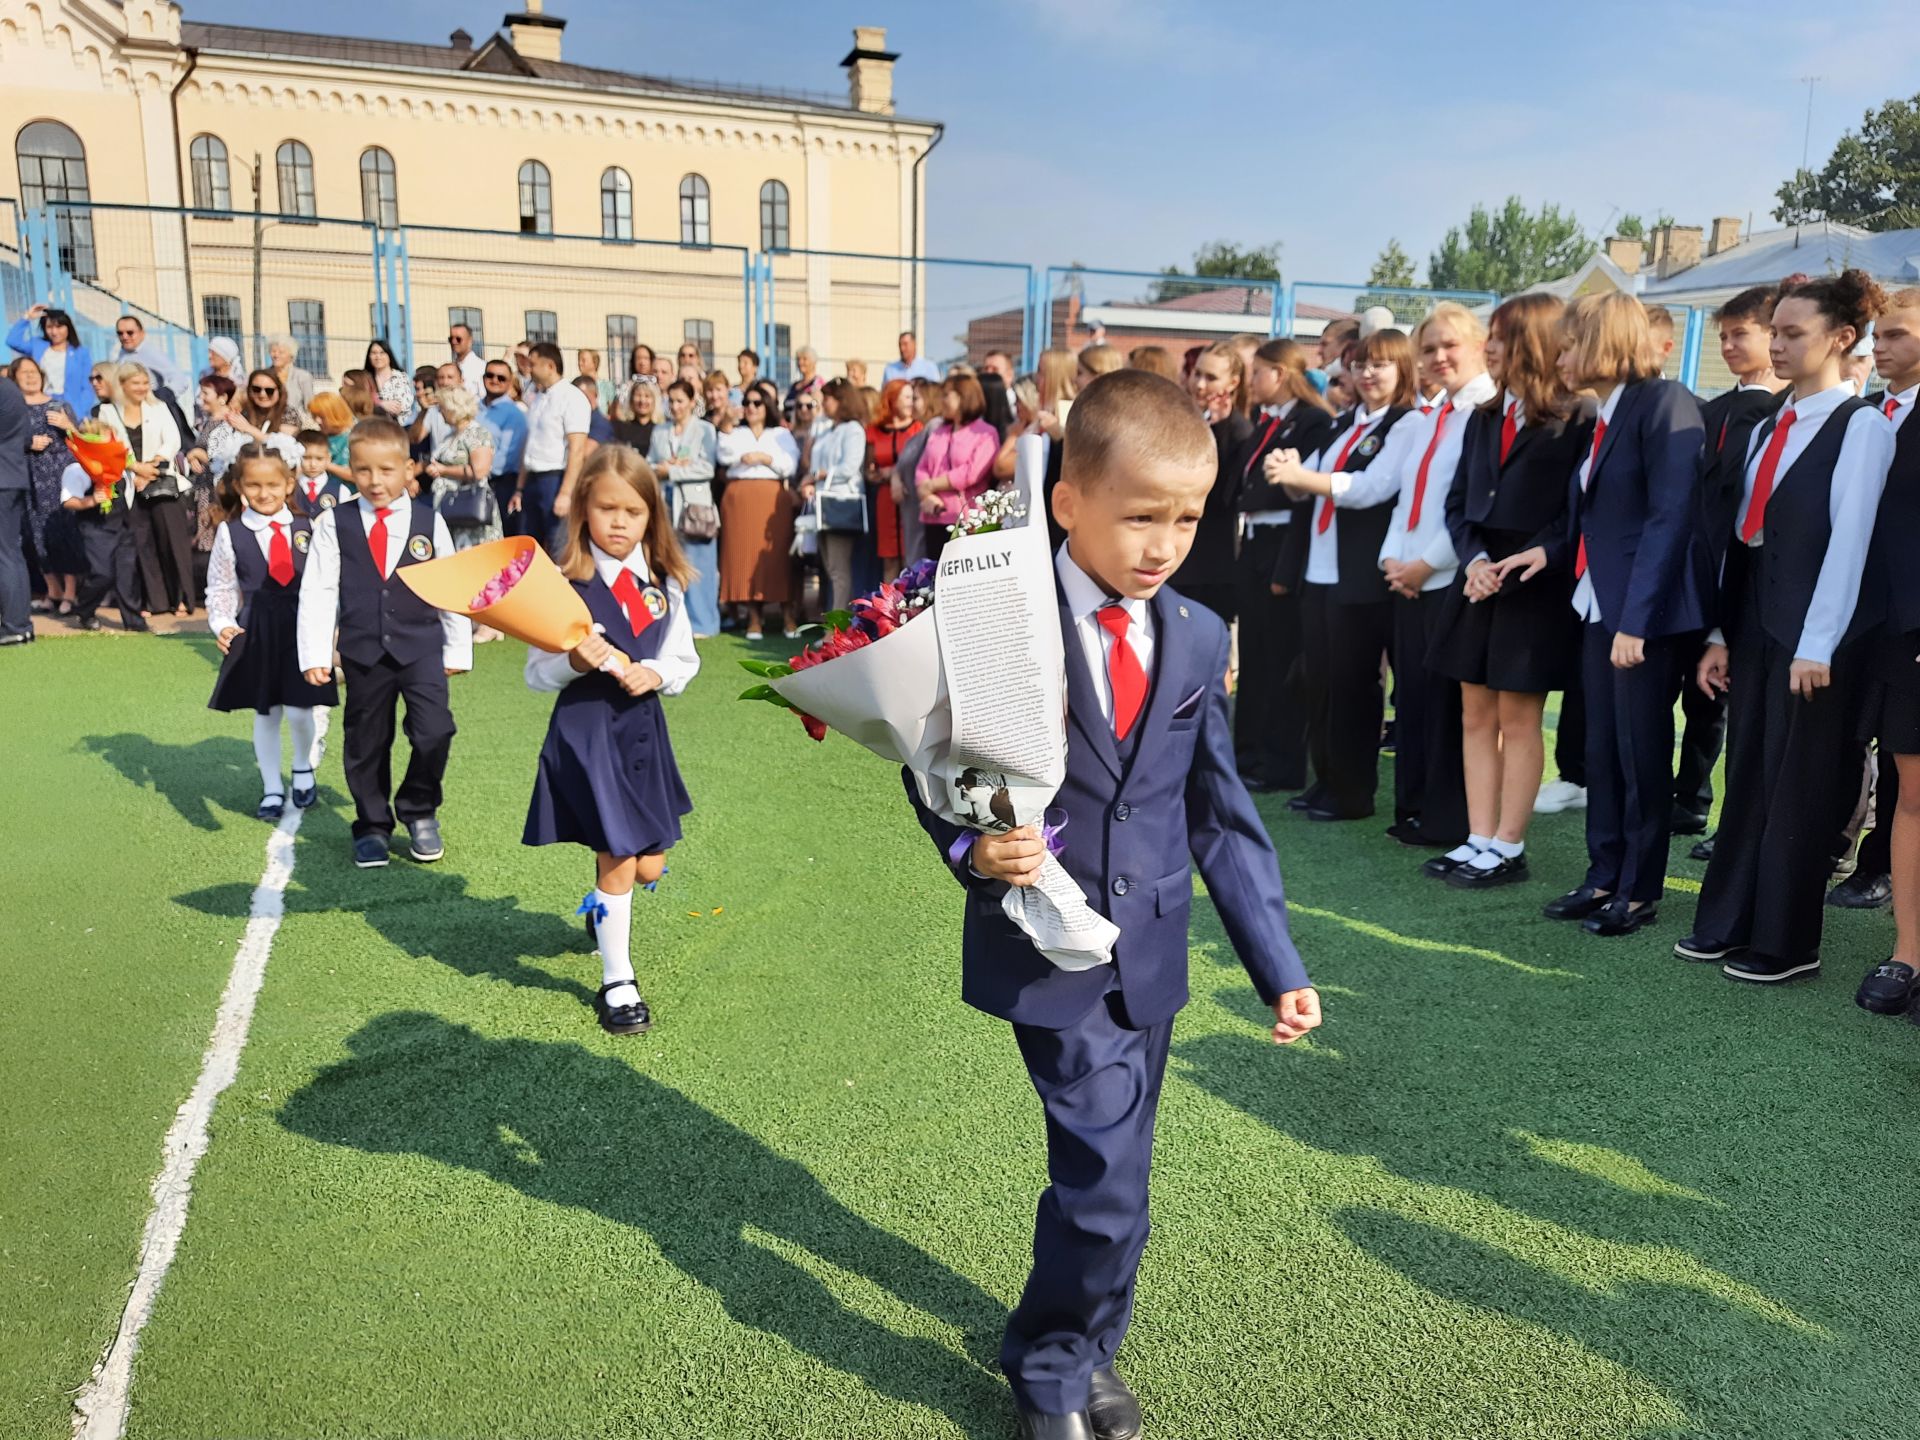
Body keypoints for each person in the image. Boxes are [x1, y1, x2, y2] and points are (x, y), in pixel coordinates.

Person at [905, 369, 1320, 1440]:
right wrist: (969, 844)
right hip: (1050, 953)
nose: (1164, 543)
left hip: (1155, 956)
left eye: (1187, 518)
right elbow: (930, 761)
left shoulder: (1195, 633)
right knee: (1104, 1185)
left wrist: (1279, 962)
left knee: (1120, 1175)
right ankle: (1047, 1373)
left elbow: (1219, 813)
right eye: (1141, 515)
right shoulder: (1000, 616)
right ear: (1067, 501)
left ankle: (1088, 1350)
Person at [1679, 271, 1896, 983]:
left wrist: (1817, 643)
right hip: (1754, 625)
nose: (1777, 345)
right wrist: (1718, 636)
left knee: (1800, 786)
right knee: (1748, 775)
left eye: (1792, 333)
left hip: (1816, 639)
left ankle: (1786, 943)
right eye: (1775, 332)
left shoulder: (1860, 426)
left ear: (1841, 339)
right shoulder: (1772, 421)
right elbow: (1746, 537)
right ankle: (1726, 922)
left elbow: (1851, 543)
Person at [1503, 294, 1711, 934]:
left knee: (1640, 751)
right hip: (1600, 606)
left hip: (1638, 617)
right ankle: (1602, 876)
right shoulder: (1607, 412)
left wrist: (1636, 622)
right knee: (1603, 749)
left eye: (1569, 344)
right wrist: (1548, 551)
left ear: (1601, 342)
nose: (1560, 356)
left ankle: (1640, 889)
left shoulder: (1664, 403)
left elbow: (1669, 520)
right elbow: (1599, 515)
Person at [1277, 302, 1492, 854]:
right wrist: (1394, 560)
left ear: (1478, 346)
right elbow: (1408, 504)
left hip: (1448, 575)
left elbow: (1460, 505)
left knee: (1443, 708)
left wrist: (1425, 564)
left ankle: (1452, 821)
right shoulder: (1435, 417)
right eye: (1430, 348)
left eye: (1449, 346)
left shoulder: (1475, 414)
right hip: (1407, 577)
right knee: (1415, 703)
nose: (1439, 358)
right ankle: (1417, 809)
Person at [524, 446, 699, 1036]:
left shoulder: (665, 582)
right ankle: (617, 980)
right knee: (618, 857)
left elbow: (684, 659)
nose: (619, 522)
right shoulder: (561, 582)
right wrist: (573, 659)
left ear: (653, 516)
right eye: (606, 509)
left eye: (633, 511)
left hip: (642, 734)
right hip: (587, 733)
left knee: (648, 866)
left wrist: (660, 673)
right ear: (583, 511)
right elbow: (535, 673)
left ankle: (604, 913)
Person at [1425, 294, 1586, 891]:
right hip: (1480, 582)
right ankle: (1478, 837)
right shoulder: (1483, 417)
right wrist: (1474, 560)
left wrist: (1537, 555)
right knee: (1474, 714)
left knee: (1519, 719)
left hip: (1533, 589)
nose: (1488, 348)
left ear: (1533, 343)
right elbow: (1458, 504)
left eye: (1499, 337)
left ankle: (1508, 845)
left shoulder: (1576, 418)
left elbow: (1578, 512)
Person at [297, 416, 472, 870]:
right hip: (363, 652)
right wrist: (316, 654)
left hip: (421, 649)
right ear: (350, 468)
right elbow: (318, 589)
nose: (375, 481)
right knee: (366, 741)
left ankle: (419, 809)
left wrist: (457, 649)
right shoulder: (336, 522)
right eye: (363, 470)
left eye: (386, 470)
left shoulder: (429, 521)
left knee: (435, 731)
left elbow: (449, 588)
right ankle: (372, 824)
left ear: (408, 469)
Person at [1264, 328, 1418, 821]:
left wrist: (1297, 475)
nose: (1367, 373)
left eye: (1381, 364)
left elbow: (1370, 488)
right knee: (1323, 681)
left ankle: (1353, 792)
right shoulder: (1343, 423)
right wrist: (1287, 470)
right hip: (1320, 572)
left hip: (1360, 577)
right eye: (1360, 364)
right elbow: (1303, 487)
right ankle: (1325, 780)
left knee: (1354, 687)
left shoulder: (1405, 423)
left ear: (1402, 371)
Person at [206, 442, 338, 817]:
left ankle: (301, 766)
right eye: (254, 486)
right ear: (239, 486)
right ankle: (271, 789)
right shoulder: (231, 532)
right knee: (267, 714)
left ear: (289, 484)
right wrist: (224, 624)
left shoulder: (308, 526)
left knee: (301, 712)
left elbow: (329, 580)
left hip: (302, 627)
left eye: (273, 485)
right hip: (258, 631)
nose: (264, 494)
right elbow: (220, 587)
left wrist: (331, 630)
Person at [1229, 339, 1336, 793]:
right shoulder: (1267, 420)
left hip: (1283, 544)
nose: (1252, 383)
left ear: (1281, 373)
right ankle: (1247, 754)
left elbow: (1304, 498)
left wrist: (1284, 567)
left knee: (1279, 658)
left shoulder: (1313, 420)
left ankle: (1280, 763)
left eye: (1258, 373)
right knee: (1254, 656)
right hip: (1255, 541)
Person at [1853, 287, 1920, 1015]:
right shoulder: (1868, 416)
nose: (1882, 345)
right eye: (1877, 333)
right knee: (1909, 797)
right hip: (1880, 635)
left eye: (1897, 333)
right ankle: (1907, 954)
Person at [1168, 342, 1255, 631]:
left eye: (1211, 378)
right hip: (1176, 558)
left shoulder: (1239, 431)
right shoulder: (1182, 416)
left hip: (1210, 567)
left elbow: (1221, 497)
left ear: (1233, 383)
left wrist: (1214, 432)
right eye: (1197, 374)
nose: (1200, 384)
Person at [100, 361, 194, 617]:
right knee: (142, 544)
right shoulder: (107, 412)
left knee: (172, 542)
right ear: (123, 384)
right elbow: (110, 448)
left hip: (162, 482)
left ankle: (181, 598)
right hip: (131, 484)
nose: (142, 388)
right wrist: (135, 469)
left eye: (145, 383)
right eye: (136, 383)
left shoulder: (160, 407)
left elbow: (172, 441)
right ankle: (154, 601)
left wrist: (151, 467)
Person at [717, 384, 800, 638]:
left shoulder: (780, 434)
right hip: (740, 500)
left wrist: (765, 458)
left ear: (767, 406)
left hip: (772, 498)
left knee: (777, 557)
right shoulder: (735, 432)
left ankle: (788, 616)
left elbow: (789, 464)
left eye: (757, 403)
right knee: (746, 557)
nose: (751, 407)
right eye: (747, 403)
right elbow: (725, 454)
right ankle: (754, 617)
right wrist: (730, 429)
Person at [10, 356, 84, 617]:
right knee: (34, 533)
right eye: (24, 373)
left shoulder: (59, 404)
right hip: (27, 475)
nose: (30, 377)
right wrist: (26, 444)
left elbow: (81, 439)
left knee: (63, 530)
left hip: (59, 475)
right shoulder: (12, 407)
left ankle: (71, 593)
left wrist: (68, 426)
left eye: (34, 372)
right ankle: (52, 590)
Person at [648, 379, 722, 638]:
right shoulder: (660, 431)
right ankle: (678, 622)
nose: (675, 406)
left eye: (680, 401)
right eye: (672, 401)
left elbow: (707, 467)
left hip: (695, 505)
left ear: (692, 402)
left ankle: (705, 623)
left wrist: (674, 471)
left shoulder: (705, 430)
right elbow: (649, 463)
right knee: (672, 562)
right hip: (666, 503)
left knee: (699, 563)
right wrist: (660, 468)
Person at [516, 342, 592, 556]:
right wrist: (520, 488)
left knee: (559, 548)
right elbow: (529, 445)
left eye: (533, 364)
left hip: (555, 480)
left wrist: (566, 493)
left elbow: (577, 449)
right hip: (533, 480)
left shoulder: (572, 397)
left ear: (550, 365)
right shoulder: (538, 399)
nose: (529, 369)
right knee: (529, 550)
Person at [799, 377, 869, 609]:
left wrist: (818, 475)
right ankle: (834, 626)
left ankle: (837, 631)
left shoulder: (853, 430)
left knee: (839, 571)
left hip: (840, 504)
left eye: (827, 398)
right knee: (830, 569)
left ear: (841, 400)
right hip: (823, 505)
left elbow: (850, 467)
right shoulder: (828, 429)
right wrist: (812, 480)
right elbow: (815, 465)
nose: (824, 403)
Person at [913, 375, 997, 562]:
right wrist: (926, 496)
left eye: (946, 395)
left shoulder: (985, 433)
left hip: (965, 519)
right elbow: (922, 467)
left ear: (963, 397)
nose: (941, 400)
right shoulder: (939, 431)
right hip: (934, 516)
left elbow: (971, 472)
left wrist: (932, 485)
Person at [425, 384, 500, 559]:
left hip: (469, 509)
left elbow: (479, 471)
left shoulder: (477, 433)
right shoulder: (451, 436)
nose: (440, 412)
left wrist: (443, 470)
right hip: (451, 511)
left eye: (442, 408)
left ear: (453, 408)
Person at [866, 378, 923, 571]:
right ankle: (889, 599)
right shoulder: (873, 431)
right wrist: (875, 475)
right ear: (893, 399)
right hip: (885, 498)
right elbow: (868, 468)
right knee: (888, 557)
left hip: (910, 495)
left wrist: (894, 472)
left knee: (911, 554)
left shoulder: (919, 428)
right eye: (906, 397)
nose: (910, 402)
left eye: (912, 397)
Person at [7, 303, 94, 419]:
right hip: (42, 403)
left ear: (68, 327)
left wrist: (79, 414)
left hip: (72, 408)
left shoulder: (81, 353)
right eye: (49, 327)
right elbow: (12, 341)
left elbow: (87, 387)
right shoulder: (38, 345)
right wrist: (27, 317)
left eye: (59, 327)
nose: (54, 332)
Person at [478, 358, 529, 529]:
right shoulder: (473, 408)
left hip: (500, 484)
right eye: (490, 375)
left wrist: (477, 470)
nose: (494, 380)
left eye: (501, 378)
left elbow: (508, 455)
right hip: (472, 481)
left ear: (509, 383)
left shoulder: (514, 414)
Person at [0, 372, 30, 645]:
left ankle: (14, 625)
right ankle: (20, 623)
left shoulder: (4, 389)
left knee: (5, 554)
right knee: (11, 553)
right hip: (12, 476)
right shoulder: (10, 389)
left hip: (3, 481)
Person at [109, 315, 189, 400]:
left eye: (130, 332)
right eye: (120, 333)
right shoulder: (119, 352)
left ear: (142, 333)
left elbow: (180, 380)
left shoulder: (150, 352)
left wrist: (159, 397)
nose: (125, 337)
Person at [292, 428, 353, 513]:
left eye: (319, 459)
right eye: (306, 458)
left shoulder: (341, 491)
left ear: (328, 458)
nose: (313, 464)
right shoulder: (290, 489)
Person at [266, 335, 318, 428]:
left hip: (297, 425)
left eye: (281, 352)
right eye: (273, 351)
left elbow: (310, 405)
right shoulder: (264, 376)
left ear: (291, 356)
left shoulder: (303, 377)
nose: (276, 355)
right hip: (269, 424)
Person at [364, 339, 415, 421]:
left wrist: (395, 408)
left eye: (382, 352)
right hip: (372, 425)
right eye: (374, 353)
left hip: (397, 426)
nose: (378, 357)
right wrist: (381, 405)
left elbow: (405, 403)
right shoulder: (365, 379)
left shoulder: (400, 377)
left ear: (389, 355)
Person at [610, 373, 658, 454]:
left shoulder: (661, 428)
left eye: (647, 396)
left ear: (654, 400)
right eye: (638, 395)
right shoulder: (619, 428)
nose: (642, 401)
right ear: (631, 400)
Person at [575, 374, 616, 446]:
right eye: (576, 396)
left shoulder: (600, 424)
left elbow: (586, 452)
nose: (579, 400)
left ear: (596, 394)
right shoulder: (578, 419)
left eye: (583, 395)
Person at [449, 323, 484, 397]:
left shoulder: (481, 368)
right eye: (451, 339)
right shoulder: (451, 368)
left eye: (458, 339)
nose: (453, 342)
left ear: (470, 340)